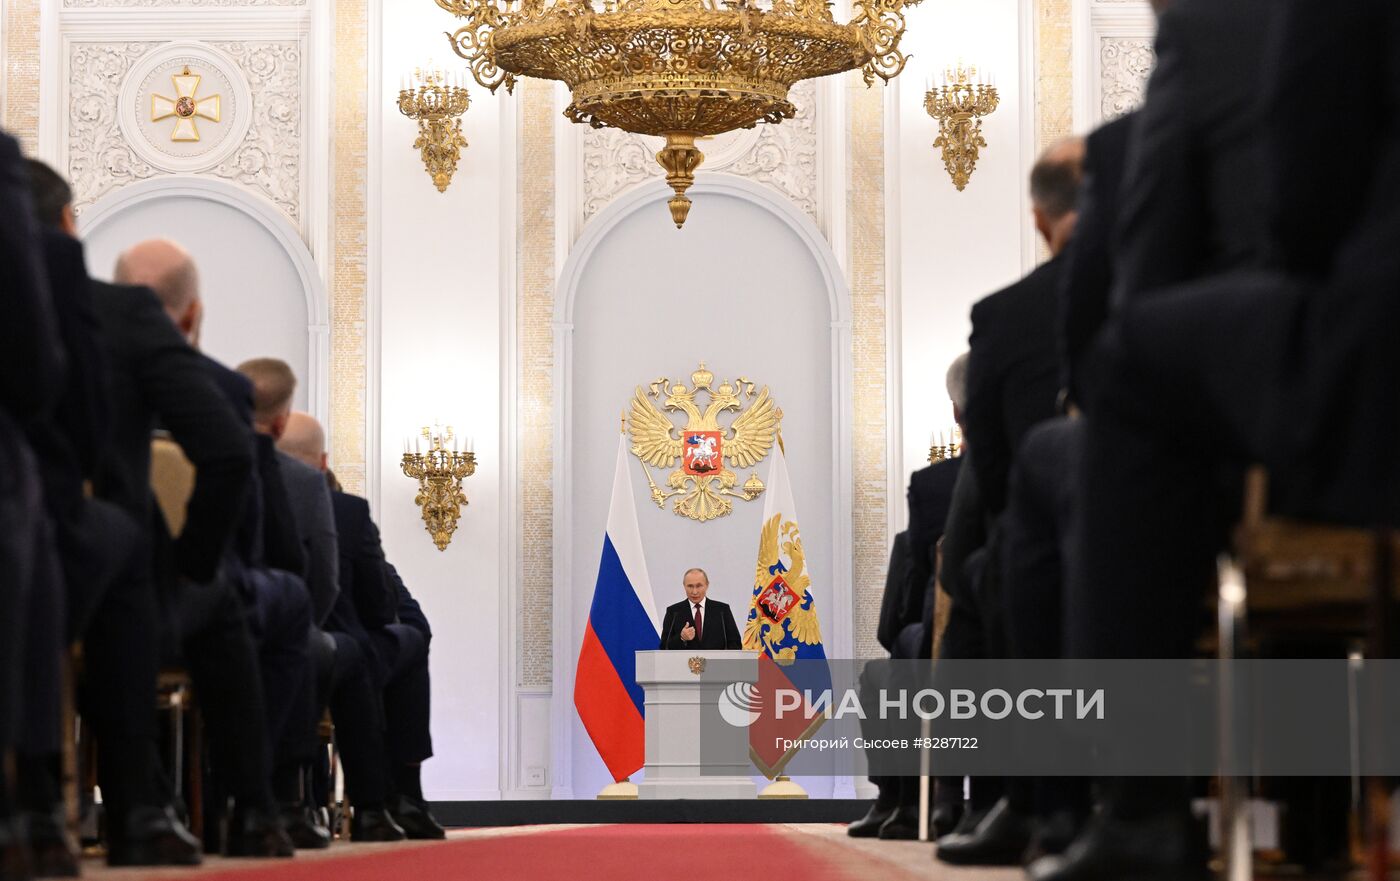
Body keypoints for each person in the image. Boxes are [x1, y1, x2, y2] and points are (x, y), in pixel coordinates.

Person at [936, 138, 1085, 869]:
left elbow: (991, 468)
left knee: (998, 564)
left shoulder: (1007, 314)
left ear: (1039, 219)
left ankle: (1027, 800)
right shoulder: (1173, 291)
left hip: (1039, 541)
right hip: (1192, 533)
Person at [659, 569, 743, 650]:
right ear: (684, 586)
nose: (694, 592)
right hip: (683, 664)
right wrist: (681, 638)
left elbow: (735, 644)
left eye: (699, 586)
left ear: (707, 585)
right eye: (690, 586)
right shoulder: (674, 612)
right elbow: (664, 646)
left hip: (716, 664)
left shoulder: (722, 610)